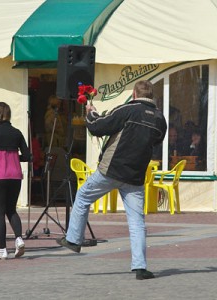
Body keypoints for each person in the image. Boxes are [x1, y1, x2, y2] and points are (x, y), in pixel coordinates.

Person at [56, 80, 167, 280]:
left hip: (111, 170)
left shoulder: (127, 110)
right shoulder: (160, 119)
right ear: (152, 96)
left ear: (134, 94)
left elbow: (98, 127)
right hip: (135, 176)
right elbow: (156, 141)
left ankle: (73, 239)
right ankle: (140, 268)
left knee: (82, 196)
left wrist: (90, 112)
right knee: (136, 221)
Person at [0, 102, 31, 260]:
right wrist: (14, 157)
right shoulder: (17, 133)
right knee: (11, 209)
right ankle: (19, 239)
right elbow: (27, 156)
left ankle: (3, 249)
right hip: (15, 175)